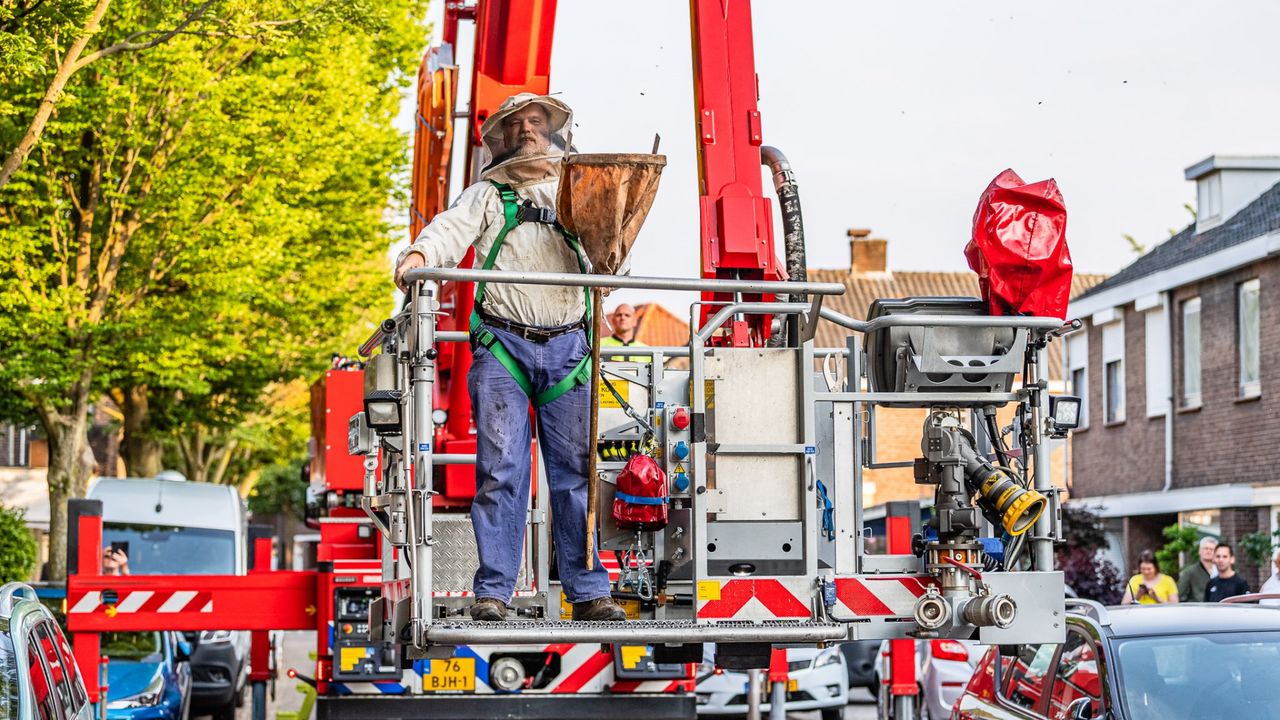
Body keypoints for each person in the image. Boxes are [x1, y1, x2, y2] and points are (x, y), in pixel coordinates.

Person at [393, 93, 625, 623]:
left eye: (536, 121)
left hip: (570, 350)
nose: (527, 131)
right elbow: (448, 231)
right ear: (502, 137)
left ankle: (590, 592)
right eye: (517, 124)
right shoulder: (487, 196)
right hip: (504, 348)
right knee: (501, 470)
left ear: (553, 130)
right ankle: (494, 591)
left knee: (577, 474)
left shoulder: (577, 192)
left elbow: (612, 253)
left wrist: (613, 256)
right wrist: (419, 256)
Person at [1176, 536, 1218, 602]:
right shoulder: (1189, 572)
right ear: (1199, 551)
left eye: (1212, 549)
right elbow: (1181, 596)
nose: (1208, 551)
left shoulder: (1220, 572)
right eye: (1206, 548)